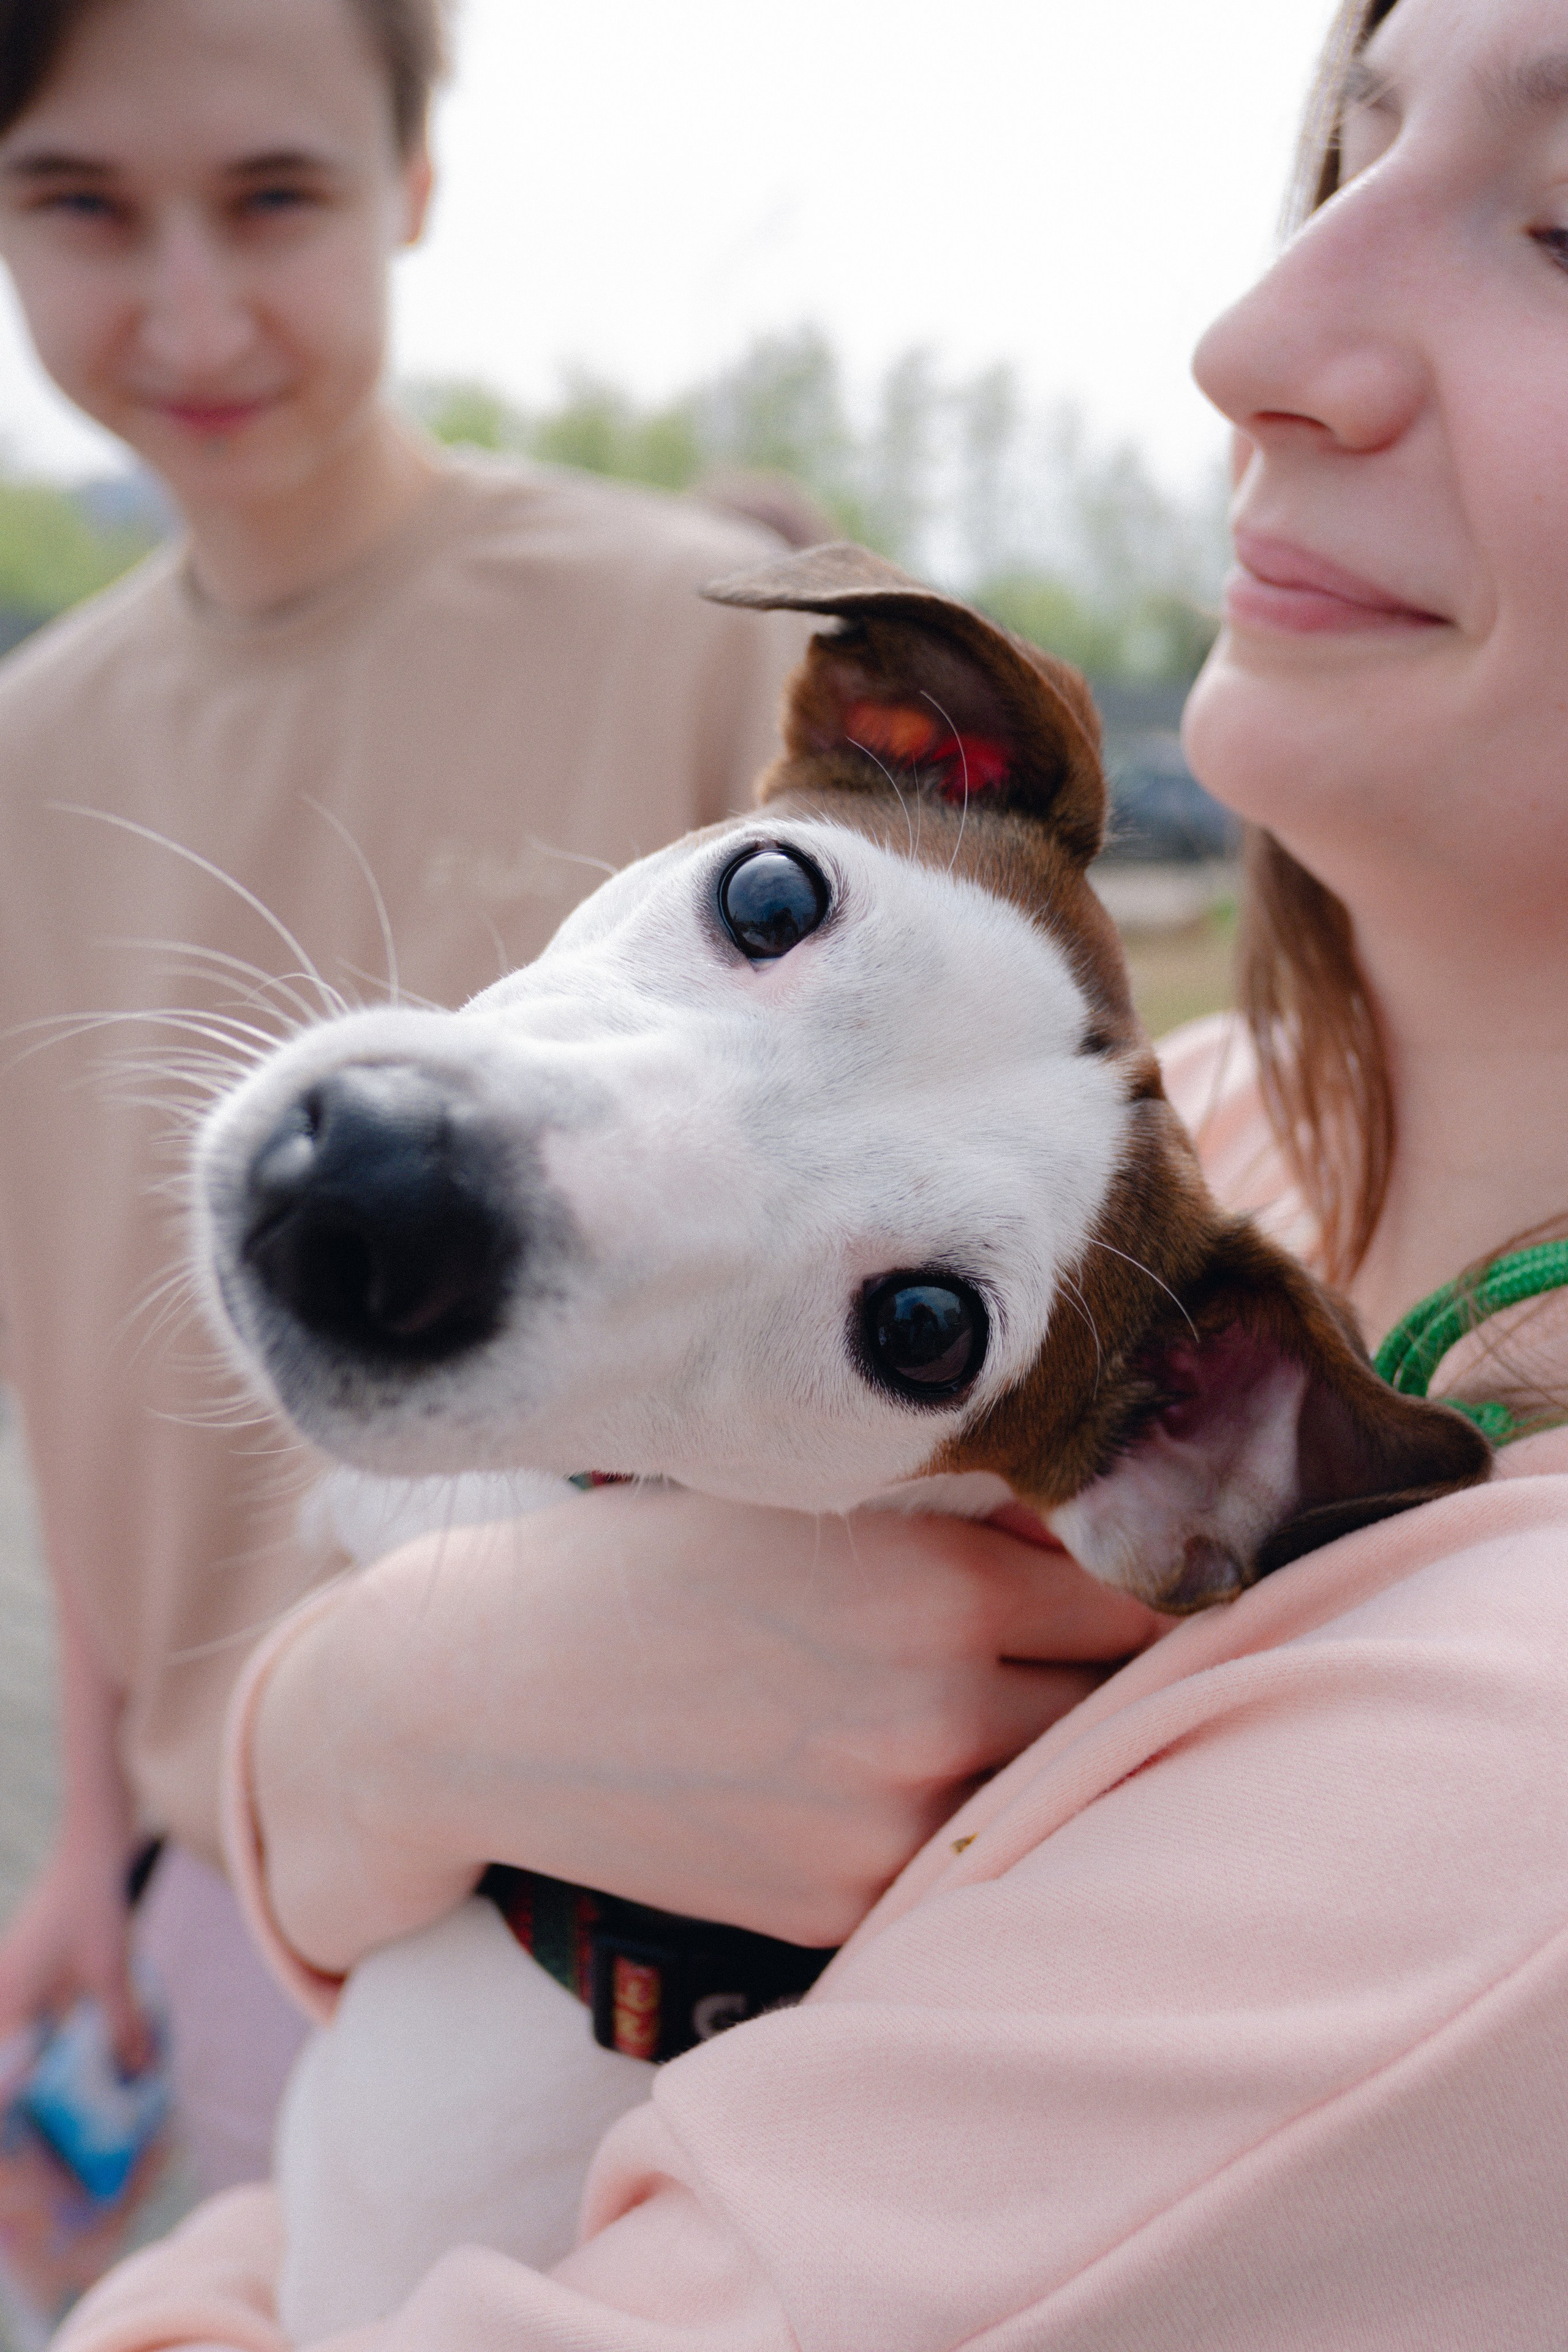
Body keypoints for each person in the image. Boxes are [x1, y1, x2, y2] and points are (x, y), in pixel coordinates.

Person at [51, 0, 1568, 2339]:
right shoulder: (1228, 1126)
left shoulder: (1488, 1774)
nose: (1250, 335)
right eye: (1344, 152)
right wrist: (370, 1718)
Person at [0, 0, 820, 2194]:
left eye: (275, 198)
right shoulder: (29, 756)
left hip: (639, 1945)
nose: (189, 306)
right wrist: (94, 1837)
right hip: (222, 1898)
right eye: (78, 205)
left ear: (416, 185)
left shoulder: (715, 639)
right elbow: (80, 1352)